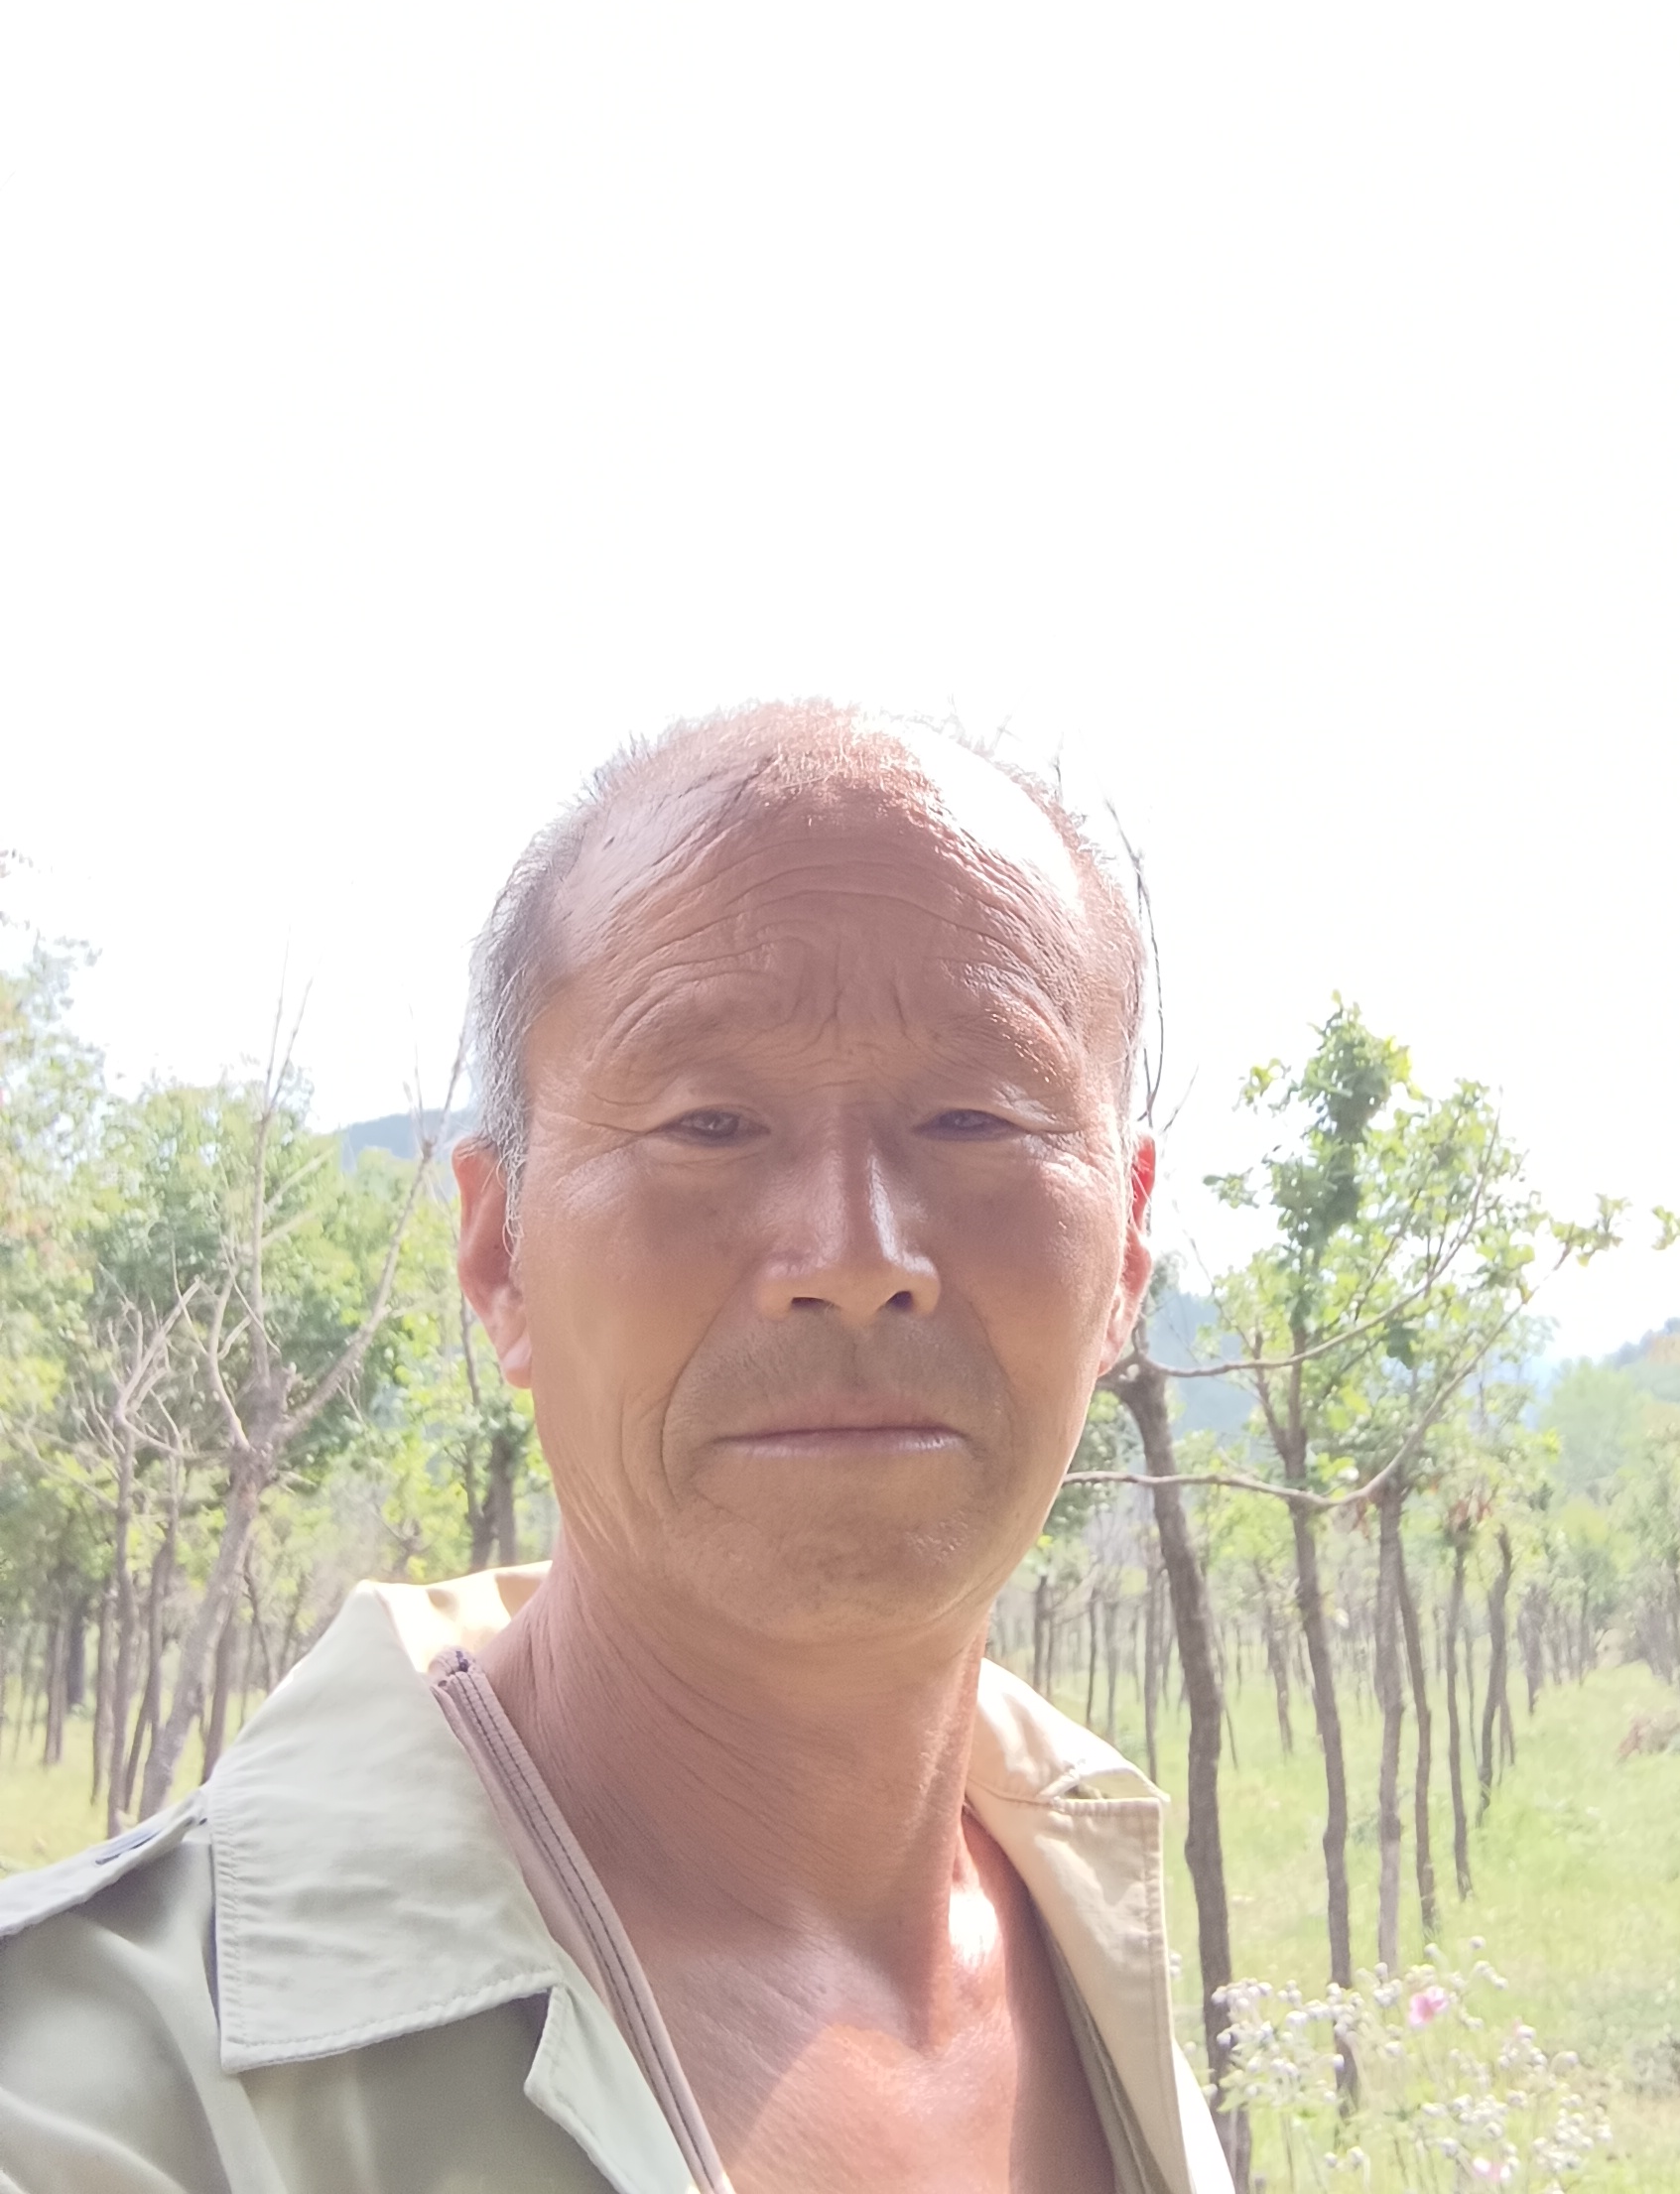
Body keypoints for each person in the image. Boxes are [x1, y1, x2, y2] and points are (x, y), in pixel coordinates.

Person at [0, 705, 1234, 2194]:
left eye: (975, 1118)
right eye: (711, 1123)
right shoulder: (94, 2095)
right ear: (500, 1255)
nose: (855, 1257)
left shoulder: (1086, 1920)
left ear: (1126, 1252)